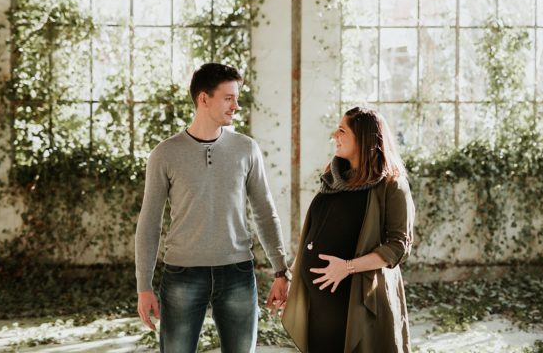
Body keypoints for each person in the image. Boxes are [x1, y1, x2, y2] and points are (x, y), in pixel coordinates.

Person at [135, 62, 290, 353]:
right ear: (203, 99)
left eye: (237, 98)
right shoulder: (165, 154)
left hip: (237, 273)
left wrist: (281, 270)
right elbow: (149, 222)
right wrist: (144, 286)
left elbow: (264, 211)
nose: (236, 105)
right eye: (228, 97)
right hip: (182, 274)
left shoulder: (246, 149)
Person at [281, 107, 415, 353]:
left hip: (359, 303)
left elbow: (398, 247)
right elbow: (316, 230)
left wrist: (347, 267)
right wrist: (291, 275)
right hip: (320, 306)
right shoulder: (334, 176)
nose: (334, 135)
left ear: (364, 140)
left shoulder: (391, 185)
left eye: (342, 130)